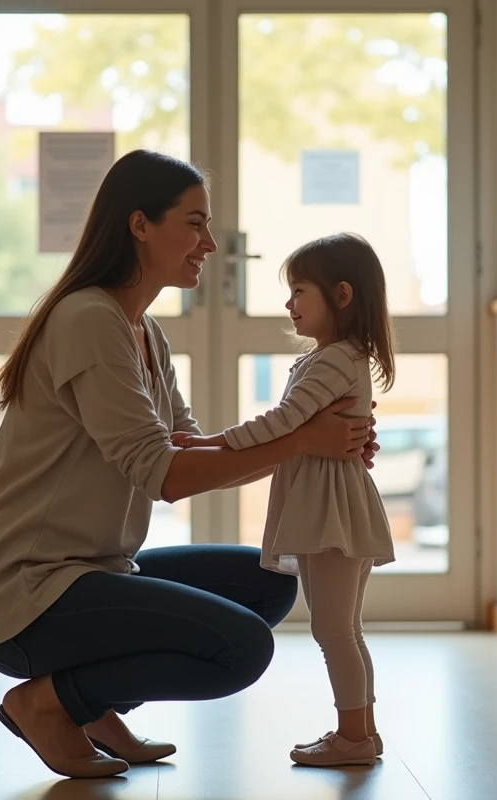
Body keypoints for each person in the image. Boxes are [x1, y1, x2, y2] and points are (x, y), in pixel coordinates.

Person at [0, 149, 379, 779]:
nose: (210, 243)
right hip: (26, 592)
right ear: (139, 225)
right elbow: (167, 477)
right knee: (240, 647)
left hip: (96, 572)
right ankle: (48, 702)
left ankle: (90, 703)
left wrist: (325, 447)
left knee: (266, 582)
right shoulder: (88, 321)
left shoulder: (144, 331)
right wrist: (301, 441)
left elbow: (187, 446)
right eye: (196, 223)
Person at [176, 233, 396, 768]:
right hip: (337, 506)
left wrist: (202, 443)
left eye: (299, 291)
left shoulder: (332, 362)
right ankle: (361, 731)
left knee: (333, 630)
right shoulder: (337, 358)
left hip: (331, 513)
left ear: (341, 295)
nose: (288, 303)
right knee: (345, 629)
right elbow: (290, 431)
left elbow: (279, 425)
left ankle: (354, 736)